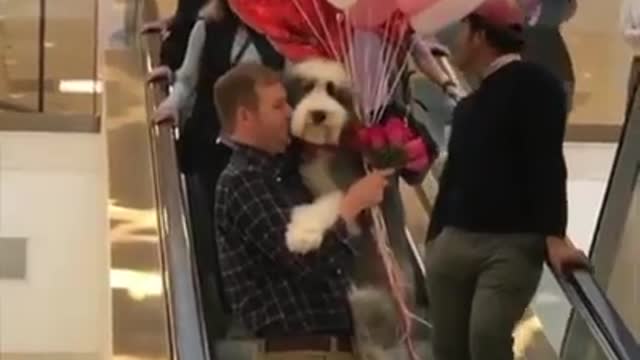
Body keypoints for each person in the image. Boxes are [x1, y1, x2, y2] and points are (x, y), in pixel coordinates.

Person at [422, 1, 590, 359]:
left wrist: (554, 237)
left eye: (462, 31)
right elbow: (454, 177)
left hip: (509, 245)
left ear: (480, 35)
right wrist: (435, 237)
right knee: (448, 348)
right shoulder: (471, 105)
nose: (454, 43)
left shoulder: (537, 86)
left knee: (487, 338)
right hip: (455, 241)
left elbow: (546, 163)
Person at [213, 62, 392, 359]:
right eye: (278, 106)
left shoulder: (282, 176)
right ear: (246, 116)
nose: (289, 113)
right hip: (298, 350)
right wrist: (351, 205)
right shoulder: (242, 182)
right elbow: (305, 260)